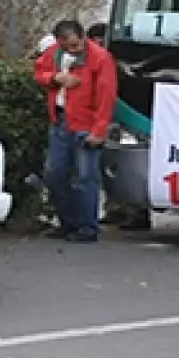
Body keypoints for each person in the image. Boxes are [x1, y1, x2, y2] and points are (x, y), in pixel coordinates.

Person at [34, 19, 118, 243]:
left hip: (86, 122)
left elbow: (106, 96)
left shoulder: (100, 58)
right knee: (54, 174)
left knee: (86, 177)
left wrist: (99, 129)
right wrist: (54, 78)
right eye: (68, 47)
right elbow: (39, 72)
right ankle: (68, 221)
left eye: (77, 45)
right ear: (60, 43)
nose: (74, 50)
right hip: (60, 119)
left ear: (83, 37)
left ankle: (87, 226)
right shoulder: (53, 53)